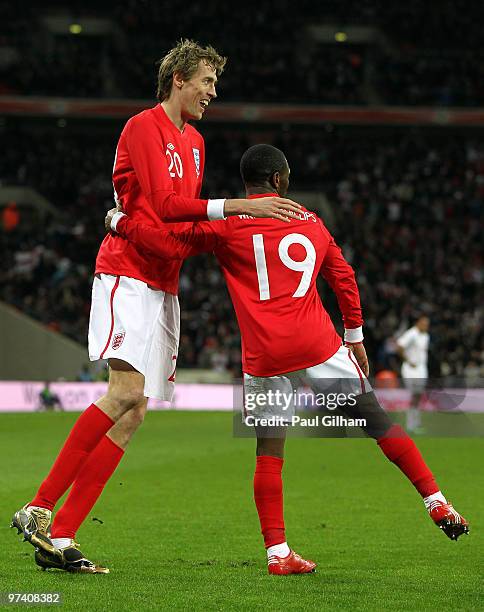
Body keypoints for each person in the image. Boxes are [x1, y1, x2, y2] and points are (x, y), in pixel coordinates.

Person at [104, 144, 469, 574]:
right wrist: (354, 336)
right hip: (318, 345)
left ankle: (278, 553)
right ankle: (436, 501)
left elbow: (167, 244)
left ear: (249, 183)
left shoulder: (227, 224)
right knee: (379, 424)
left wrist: (120, 222)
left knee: (269, 452)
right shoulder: (310, 221)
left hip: (264, 355)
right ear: (278, 180)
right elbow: (343, 276)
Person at [11, 40, 302, 574]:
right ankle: (39, 506)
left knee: (136, 408)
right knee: (123, 392)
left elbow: (177, 227)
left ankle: (62, 535)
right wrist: (236, 206)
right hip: (126, 273)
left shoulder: (196, 142)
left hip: (163, 280)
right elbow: (167, 207)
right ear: (179, 80)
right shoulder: (142, 127)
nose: (213, 93)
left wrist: (225, 229)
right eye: (207, 82)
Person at [396, 316, 430, 433]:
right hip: (411, 369)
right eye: (424, 324)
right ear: (418, 323)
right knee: (414, 396)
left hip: (421, 368)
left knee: (418, 396)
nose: (426, 326)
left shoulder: (425, 336)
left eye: (427, 324)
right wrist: (408, 360)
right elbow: (399, 346)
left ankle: (416, 423)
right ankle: (411, 425)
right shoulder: (412, 334)